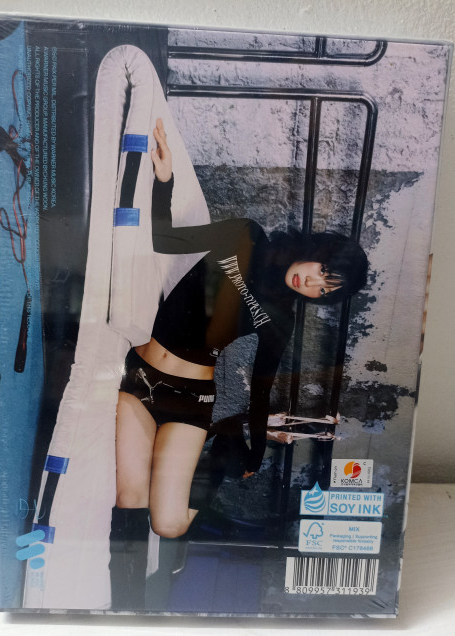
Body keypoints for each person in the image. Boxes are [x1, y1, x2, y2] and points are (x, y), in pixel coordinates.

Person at [109, 119, 369, 608]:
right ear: (317, 251)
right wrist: (164, 181)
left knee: (168, 523)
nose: (312, 284)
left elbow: (261, 389)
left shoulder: (282, 320)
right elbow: (165, 240)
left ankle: (215, 472)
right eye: (322, 272)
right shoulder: (247, 236)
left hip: (192, 400)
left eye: (324, 290)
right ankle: (126, 607)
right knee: (130, 500)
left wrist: (250, 454)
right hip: (139, 377)